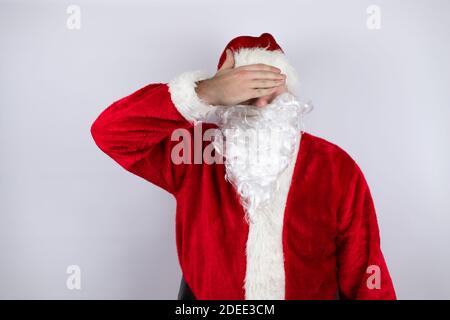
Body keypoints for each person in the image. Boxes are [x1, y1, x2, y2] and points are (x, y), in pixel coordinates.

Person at [90, 33, 396, 300]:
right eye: (247, 93)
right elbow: (110, 133)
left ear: (288, 90)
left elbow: (365, 270)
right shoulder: (195, 153)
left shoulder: (335, 166)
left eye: (269, 89)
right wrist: (203, 91)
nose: (260, 104)